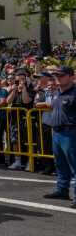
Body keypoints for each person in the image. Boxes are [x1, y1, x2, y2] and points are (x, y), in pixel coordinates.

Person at [42, 66, 76, 207]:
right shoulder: (57, 93)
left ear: (71, 76)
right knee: (60, 164)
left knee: (74, 165)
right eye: (56, 75)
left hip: (71, 132)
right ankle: (62, 189)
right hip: (57, 132)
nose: (57, 77)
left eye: (61, 75)